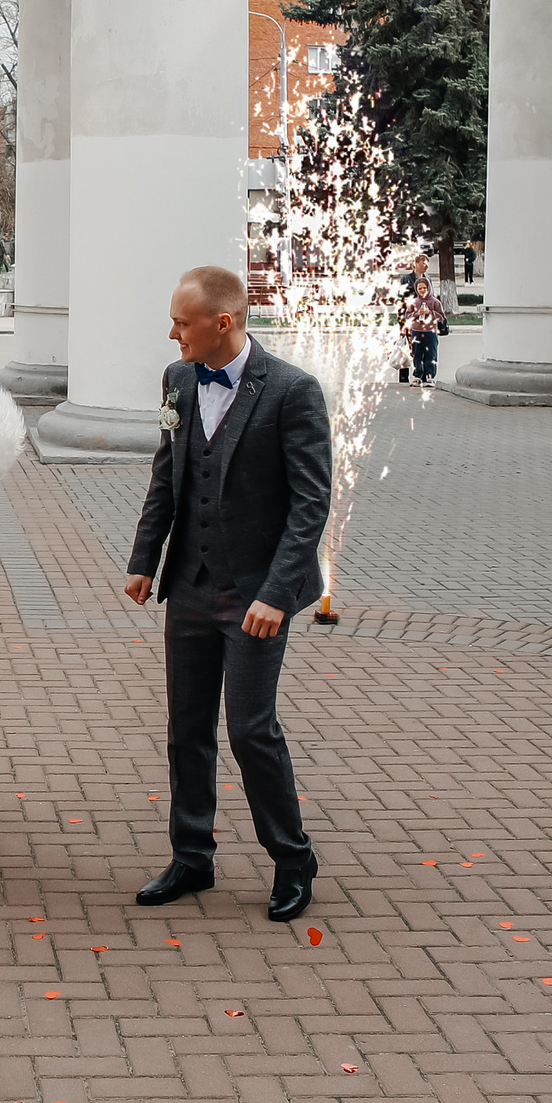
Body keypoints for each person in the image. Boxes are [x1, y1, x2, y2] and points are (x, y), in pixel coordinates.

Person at [121, 265, 333, 922]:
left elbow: (310, 504)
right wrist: (144, 560)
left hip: (256, 596)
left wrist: (276, 592)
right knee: (187, 730)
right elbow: (168, 475)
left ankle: (292, 858)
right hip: (188, 585)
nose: (171, 333)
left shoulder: (293, 391)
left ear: (224, 323)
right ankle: (192, 856)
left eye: (181, 322)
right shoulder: (178, 380)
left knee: (248, 728)